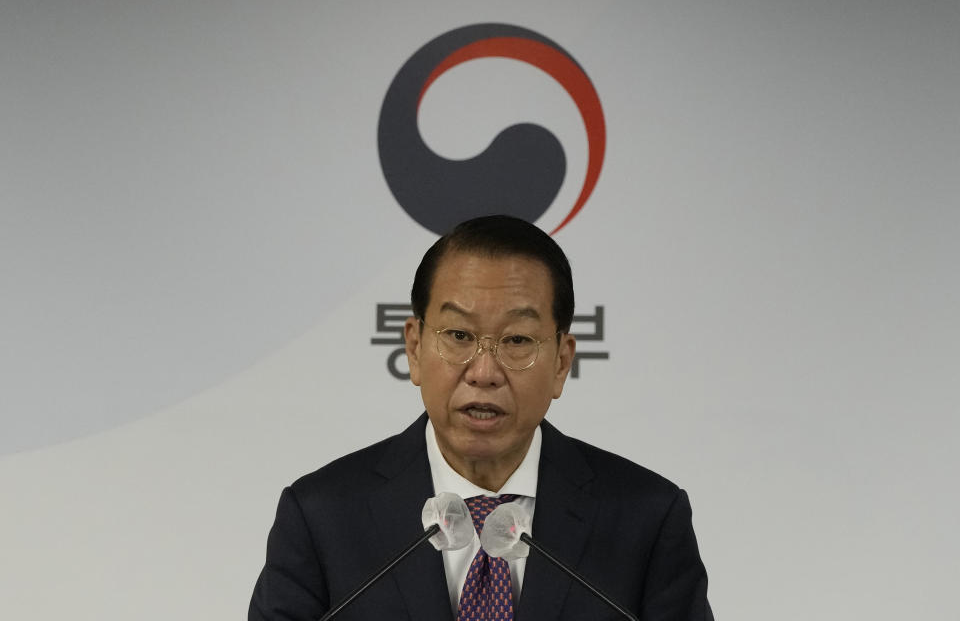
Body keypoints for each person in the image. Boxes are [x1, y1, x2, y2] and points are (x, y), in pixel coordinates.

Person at [249, 215, 713, 620]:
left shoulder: (646, 519)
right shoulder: (322, 517)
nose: (484, 372)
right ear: (414, 347)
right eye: (458, 335)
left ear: (560, 362)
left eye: (517, 340)